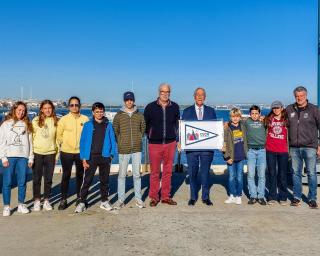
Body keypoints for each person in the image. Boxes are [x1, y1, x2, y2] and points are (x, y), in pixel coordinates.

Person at [75, 102, 116, 213]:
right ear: (93, 112)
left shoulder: (108, 125)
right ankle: (82, 202)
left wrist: (111, 155)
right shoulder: (88, 125)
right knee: (87, 180)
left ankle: (104, 201)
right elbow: (82, 143)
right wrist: (83, 158)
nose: (99, 113)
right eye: (97, 111)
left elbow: (113, 140)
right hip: (91, 157)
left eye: (101, 111)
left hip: (105, 157)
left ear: (104, 112)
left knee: (104, 181)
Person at [144, 82, 180, 207]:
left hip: (170, 143)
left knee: (168, 171)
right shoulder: (150, 107)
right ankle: (154, 197)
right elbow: (146, 124)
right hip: (154, 144)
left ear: (170, 93)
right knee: (154, 172)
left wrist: (177, 139)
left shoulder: (175, 107)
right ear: (159, 92)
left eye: (167, 92)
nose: (165, 94)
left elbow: (177, 124)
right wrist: (150, 134)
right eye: (162, 92)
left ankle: (165, 196)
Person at [182, 87, 217, 206]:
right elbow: (182, 129)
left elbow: (215, 129)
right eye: (198, 94)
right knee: (192, 173)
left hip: (207, 149)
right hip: (191, 149)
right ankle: (193, 197)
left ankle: (205, 197)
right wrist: (179, 141)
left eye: (202, 95)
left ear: (205, 97)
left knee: (205, 173)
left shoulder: (211, 111)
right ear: (194, 96)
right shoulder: (186, 111)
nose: (200, 96)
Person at [286, 86, 320, 209]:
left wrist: (319, 146)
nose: (299, 98)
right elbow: (280, 122)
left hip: (310, 147)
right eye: (297, 96)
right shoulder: (289, 109)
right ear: (294, 96)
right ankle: (296, 197)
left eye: (301, 96)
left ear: (306, 96)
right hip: (294, 148)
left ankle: (312, 199)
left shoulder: (314, 109)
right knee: (296, 173)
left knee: (311, 173)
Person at [113, 91, 146, 209]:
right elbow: (115, 130)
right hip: (123, 149)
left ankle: (138, 199)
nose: (129, 102)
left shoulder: (139, 115)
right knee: (122, 175)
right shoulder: (118, 116)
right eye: (127, 100)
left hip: (137, 149)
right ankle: (121, 200)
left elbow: (143, 128)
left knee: (137, 175)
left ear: (134, 100)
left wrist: (138, 138)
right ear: (124, 101)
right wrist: (121, 141)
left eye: (131, 100)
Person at [0, 101, 33, 216]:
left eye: (23, 110)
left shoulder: (27, 124)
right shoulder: (6, 124)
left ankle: (21, 204)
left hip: (23, 157)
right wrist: (3, 157)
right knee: (7, 182)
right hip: (9, 156)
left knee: (22, 182)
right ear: (14, 110)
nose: (21, 112)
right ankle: (7, 206)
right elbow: (1, 142)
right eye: (19, 110)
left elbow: (30, 142)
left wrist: (30, 158)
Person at [56, 96, 89, 210]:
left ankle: (80, 198)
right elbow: (59, 136)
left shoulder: (85, 119)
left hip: (81, 152)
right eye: (72, 105)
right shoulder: (63, 119)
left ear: (80, 106)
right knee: (66, 175)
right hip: (66, 152)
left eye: (76, 105)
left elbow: (88, 136)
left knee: (80, 176)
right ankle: (63, 199)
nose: (74, 107)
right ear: (69, 106)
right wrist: (62, 146)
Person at [32, 100, 59, 211]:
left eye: (49, 108)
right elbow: (31, 137)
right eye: (45, 108)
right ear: (41, 109)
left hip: (51, 154)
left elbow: (57, 139)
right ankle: (37, 200)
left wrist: (57, 154)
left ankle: (47, 200)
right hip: (37, 153)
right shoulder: (35, 120)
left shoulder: (56, 121)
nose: (47, 110)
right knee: (36, 178)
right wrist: (30, 155)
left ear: (52, 109)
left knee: (48, 179)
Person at [264, 101, 289, 206]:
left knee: (282, 174)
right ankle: (272, 196)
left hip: (283, 151)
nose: (276, 110)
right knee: (271, 173)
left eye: (277, 108)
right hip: (270, 150)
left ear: (282, 108)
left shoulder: (287, 120)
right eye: (274, 108)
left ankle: (283, 196)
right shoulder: (268, 119)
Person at [223, 108, 248, 205]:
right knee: (231, 177)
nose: (235, 118)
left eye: (237, 116)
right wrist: (226, 157)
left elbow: (252, 120)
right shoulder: (227, 128)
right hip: (230, 157)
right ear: (230, 117)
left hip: (241, 156)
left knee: (240, 177)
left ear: (240, 117)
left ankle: (238, 195)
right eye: (233, 116)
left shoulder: (243, 126)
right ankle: (232, 195)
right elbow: (224, 143)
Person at [245, 105, 267, 206]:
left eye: (256, 113)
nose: (254, 115)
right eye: (252, 113)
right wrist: (226, 123)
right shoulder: (247, 121)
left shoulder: (264, 121)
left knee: (261, 175)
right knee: (251, 175)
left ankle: (261, 196)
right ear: (250, 114)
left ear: (260, 114)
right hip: (251, 151)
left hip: (262, 151)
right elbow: (234, 121)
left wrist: (265, 118)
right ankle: (253, 196)